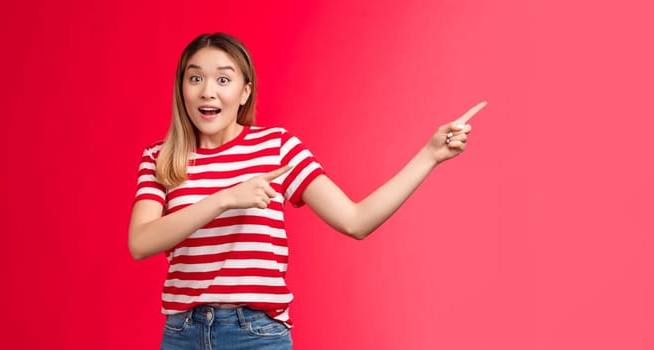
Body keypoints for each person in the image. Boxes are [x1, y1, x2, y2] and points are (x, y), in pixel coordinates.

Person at [129, 32, 486, 350]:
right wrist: (226, 198)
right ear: (182, 87)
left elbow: (355, 221)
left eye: (223, 78)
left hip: (255, 335)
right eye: (196, 78)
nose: (208, 90)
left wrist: (429, 156)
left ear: (244, 91)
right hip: (182, 334)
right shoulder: (160, 159)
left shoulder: (277, 147)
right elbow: (141, 242)